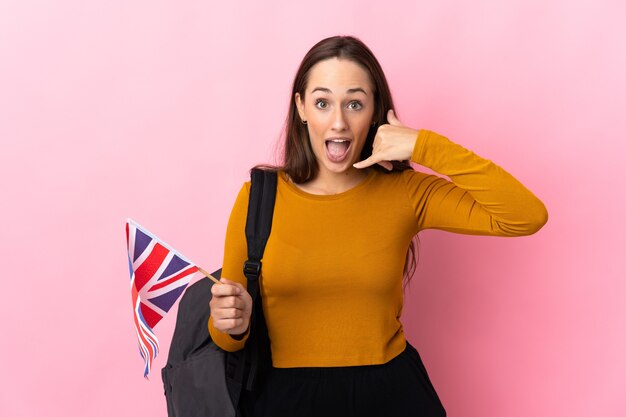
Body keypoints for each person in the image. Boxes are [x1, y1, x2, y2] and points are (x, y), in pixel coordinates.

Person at [208, 35, 548, 417]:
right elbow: (229, 333)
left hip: (390, 394)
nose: (338, 121)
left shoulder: (404, 192)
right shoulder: (258, 198)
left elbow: (525, 215)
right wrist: (231, 324)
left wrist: (423, 145)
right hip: (285, 399)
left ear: (373, 112)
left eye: (355, 103)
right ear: (301, 108)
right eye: (322, 103)